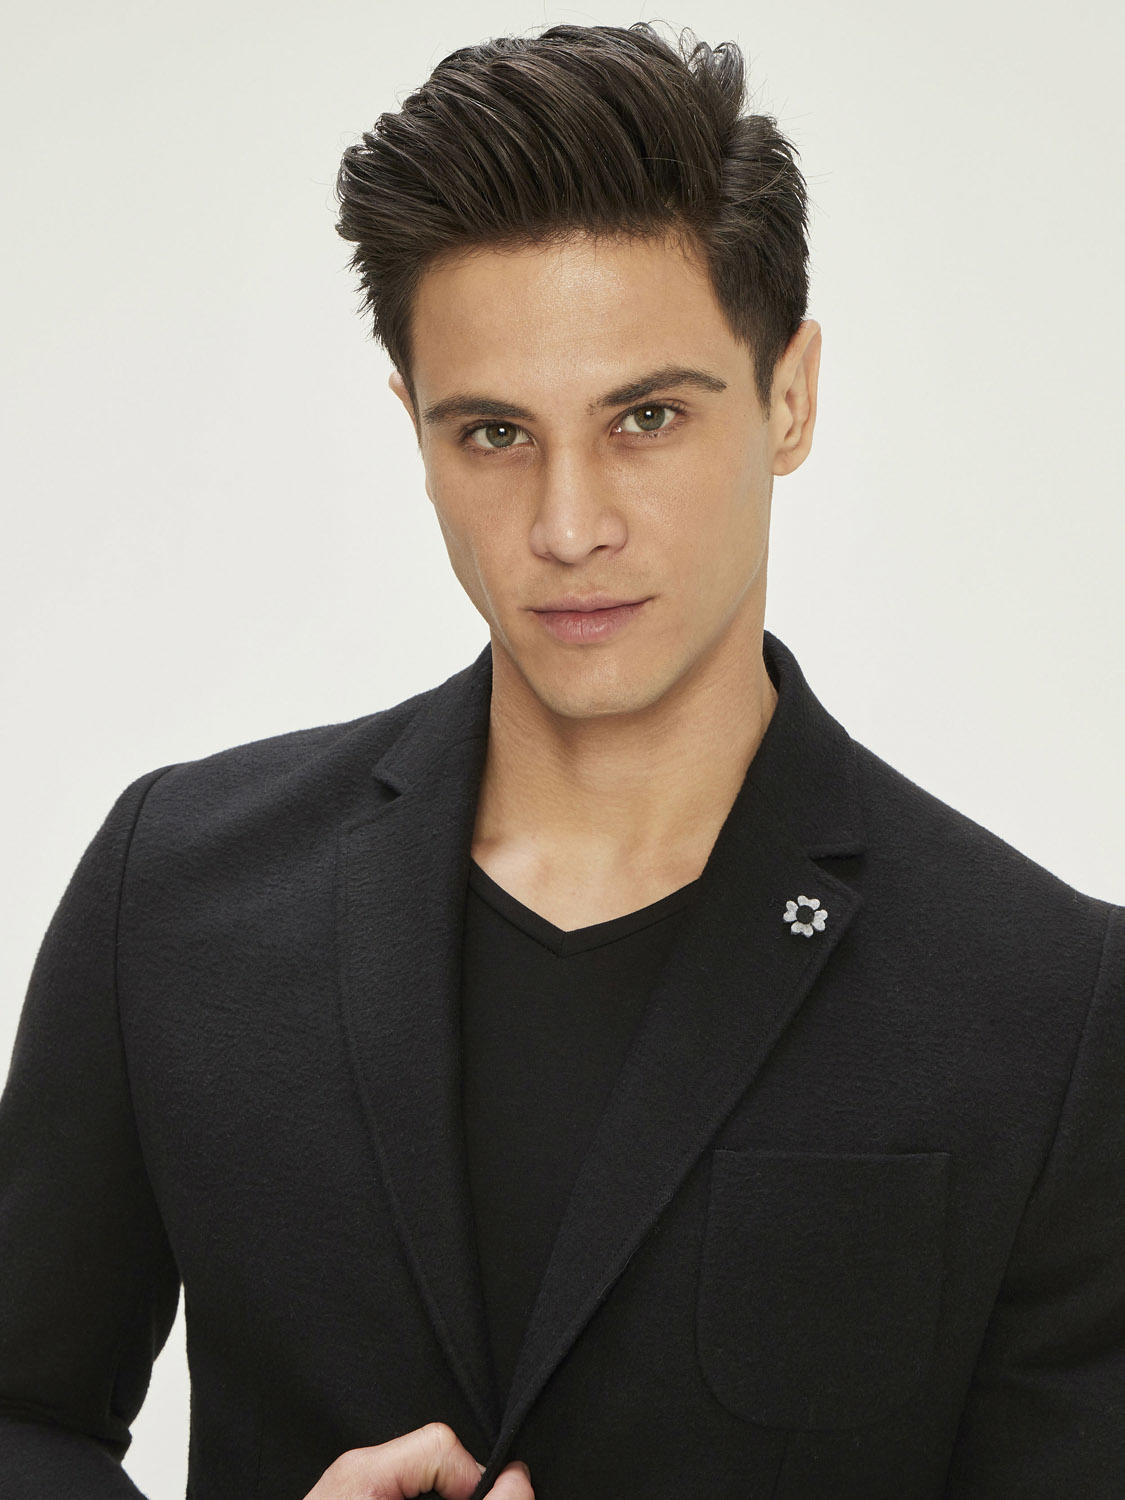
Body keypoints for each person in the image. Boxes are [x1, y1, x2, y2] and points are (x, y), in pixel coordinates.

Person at [1, 19, 1122, 1500]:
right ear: (412, 427)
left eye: (646, 417)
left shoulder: (1049, 1008)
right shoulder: (179, 893)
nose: (568, 524)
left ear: (789, 397)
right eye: (493, 433)